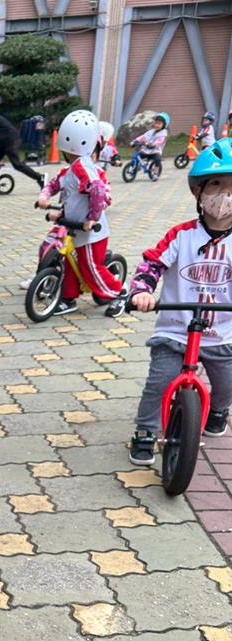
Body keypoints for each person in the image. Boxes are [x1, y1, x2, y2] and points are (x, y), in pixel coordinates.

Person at [126, 139, 232, 465]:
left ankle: (218, 409)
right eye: (216, 185)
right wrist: (142, 291)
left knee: (227, 383)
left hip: (223, 333)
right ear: (198, 192)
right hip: (175, 330)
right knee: (159, 382)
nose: (225, 195)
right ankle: (145, 431)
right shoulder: (181, 235)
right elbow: (152, 264)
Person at [37, 110, 125, 316]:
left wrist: (92, 218)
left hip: (91, 232)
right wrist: (44, 197)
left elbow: (98, 190)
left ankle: (120, 293)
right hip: (74, 227)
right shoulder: (72, 169)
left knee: (91, 267)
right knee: (69, 262)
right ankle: (68, 299)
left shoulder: (83, 168)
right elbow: (54, 184)